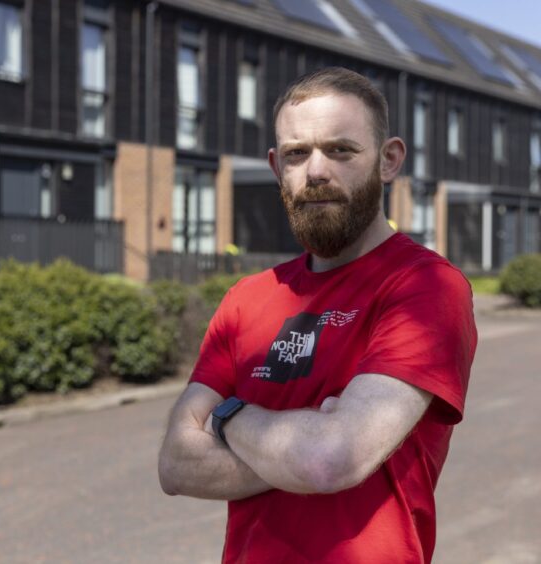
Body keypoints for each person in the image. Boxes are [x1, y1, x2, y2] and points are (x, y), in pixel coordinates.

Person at [158, 67, 477, 563]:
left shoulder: (425, 287)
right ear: (275, 166)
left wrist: (226, 417)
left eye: (341, 150)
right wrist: (303, 445)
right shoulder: (246, 298)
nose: (316, 171)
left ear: (388, 160)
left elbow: (331, 459)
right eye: (296, 153)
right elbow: (176, 464)